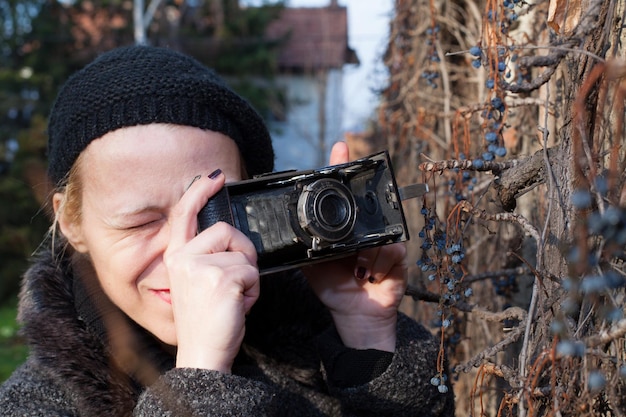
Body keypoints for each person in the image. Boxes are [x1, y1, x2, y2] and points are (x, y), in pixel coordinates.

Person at [0, 45, 455, 416]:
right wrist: (202, 377)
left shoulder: (313, 340)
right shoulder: (35, 405)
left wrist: (366, 338)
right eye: (142, 222)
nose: (186, 254)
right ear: (71, 222)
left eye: (213, 211)